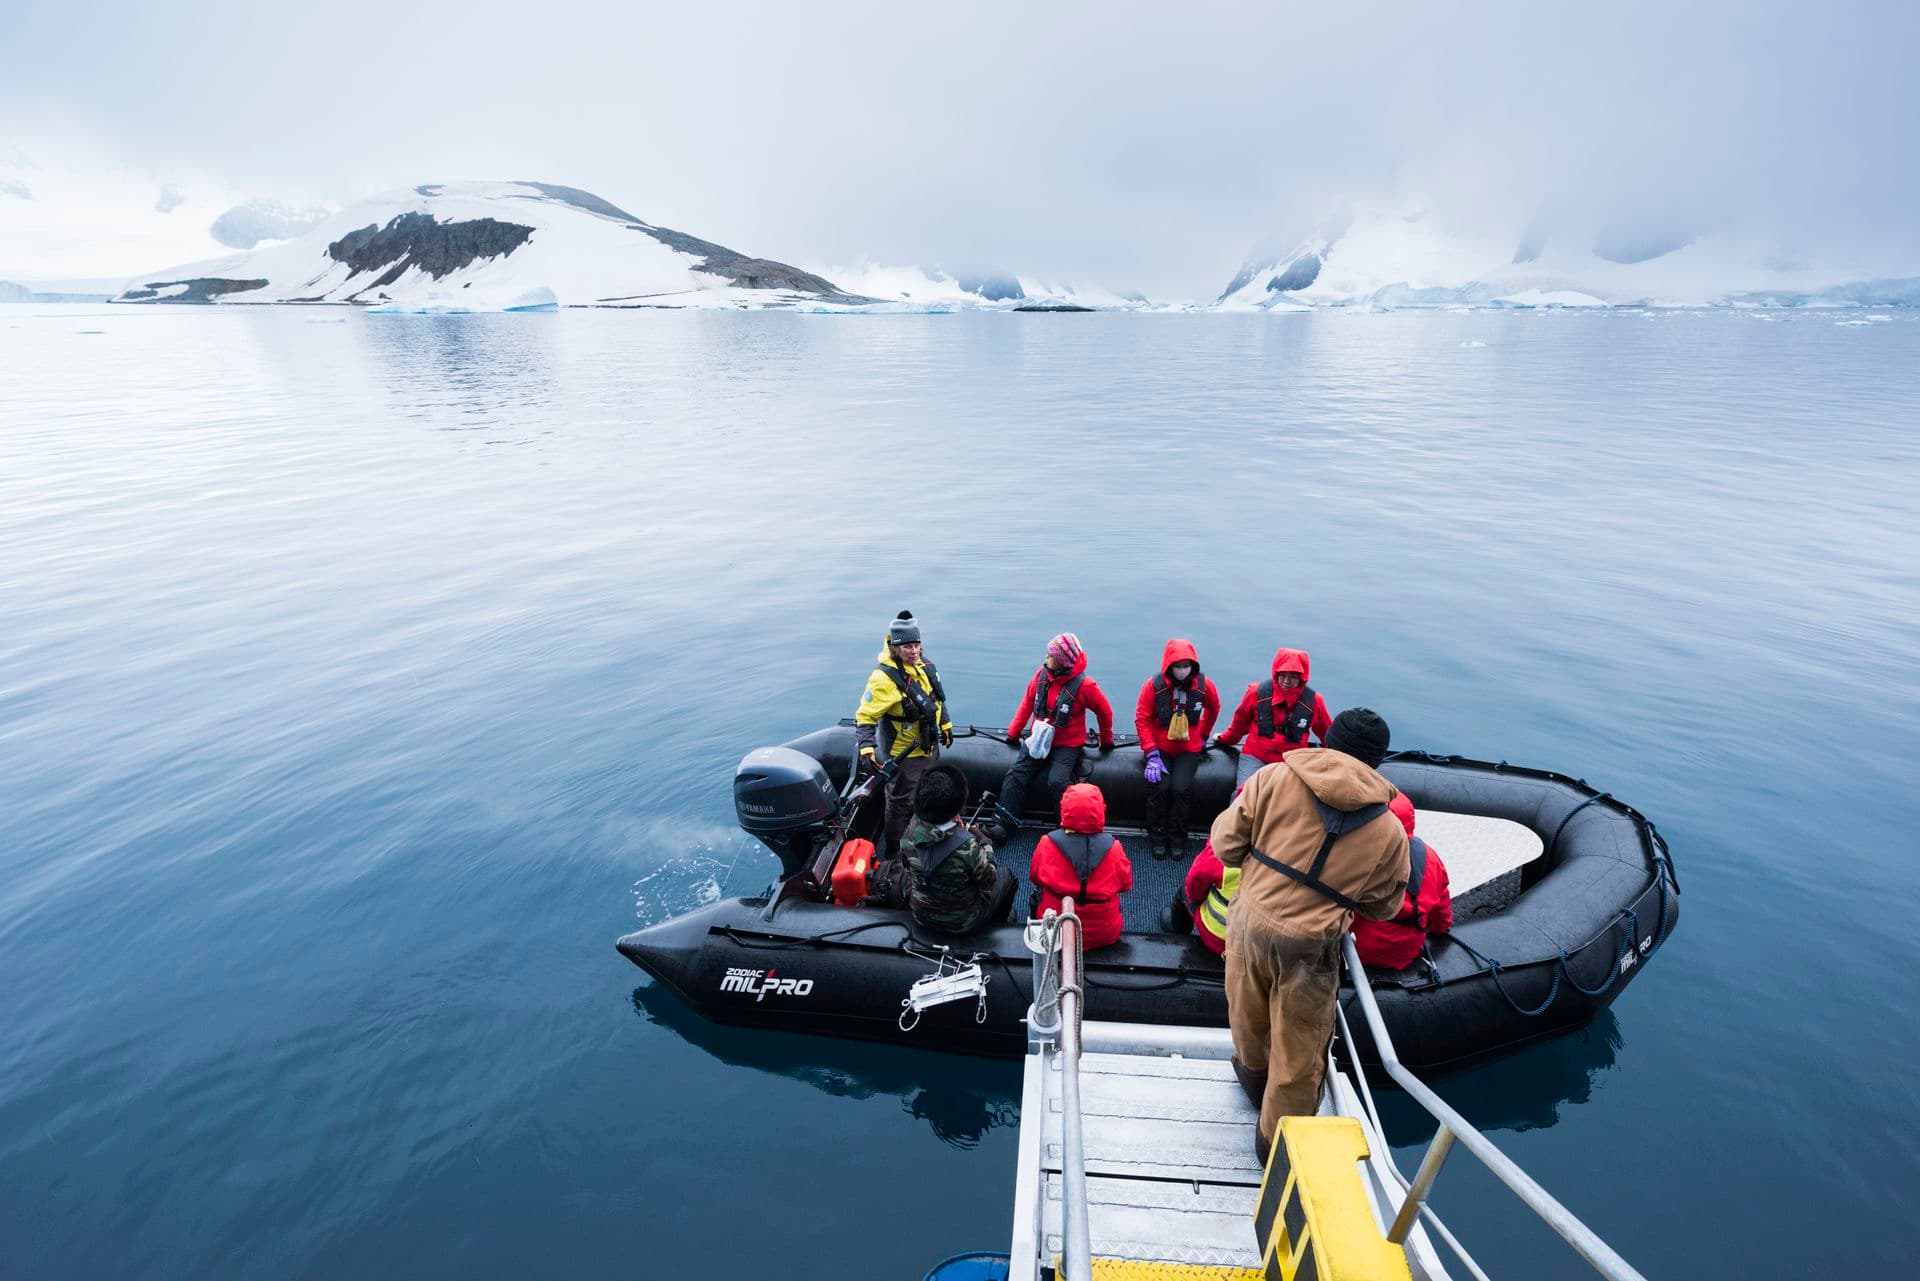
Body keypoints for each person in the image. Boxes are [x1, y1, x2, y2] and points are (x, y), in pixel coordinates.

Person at [1210, 708, 1410, 1158]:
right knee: (1300, 1052)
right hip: (1310, 946)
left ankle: (1251, 1081)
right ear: (1377, 760)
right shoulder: (1389, 829)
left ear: (1328, 739)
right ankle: (1274, 1150)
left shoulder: (1272, 778)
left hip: (1248, 922)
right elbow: (1385, 906)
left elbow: (1226, 844)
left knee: (1246, 1013)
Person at [986, 633, 1115, 843]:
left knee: (1058, 782)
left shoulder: (1085, 686)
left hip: (1067, 744)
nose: (1046, 657)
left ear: (1062, 661)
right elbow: (1028, 702)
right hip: (1038, 737)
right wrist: (1014, 731)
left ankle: (1064, 828)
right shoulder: (1041, 675)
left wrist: (1107, 741)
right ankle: (1003, 823)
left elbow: (1105, 711)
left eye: (1050, 655)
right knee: (1016, 774)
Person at [854, 610, 954, 857]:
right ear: (895, 647)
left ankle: (924, 836)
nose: (914, 651)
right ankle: (893, 851)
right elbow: (865, 717)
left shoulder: (925, 667)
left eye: (917, 645)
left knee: (926, 793)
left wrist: (946, 724)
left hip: (928, 746)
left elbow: (936, 700)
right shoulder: (883, 679)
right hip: (903, 753)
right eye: (907, 646)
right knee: (899, 803)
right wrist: (867, 747)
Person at [901, 763, 1017, 934]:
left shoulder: (909, 830)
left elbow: (907, 866)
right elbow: (988, 882)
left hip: (920, 913)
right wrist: (984, 841)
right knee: (1007, 877)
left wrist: (952, 830)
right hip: (962, 921)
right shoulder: (968, 846)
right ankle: (1000, 924)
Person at [1133, 639, 1221, 860]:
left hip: (1188, 748)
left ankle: (1178, 838)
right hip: (1159, 747)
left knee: (1181, 789)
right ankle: (1157, 836)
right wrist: (1151, 752)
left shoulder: (1205, 686)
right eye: (1177, 665)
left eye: (1186, 665)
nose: (1182, 670)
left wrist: (1203, 735)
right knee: (1159, 788)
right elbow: (1142, 719)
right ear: (1169, 666)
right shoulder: (1152, 687)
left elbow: (1214, 708)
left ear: (1193, 665)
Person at [1352, 791, 1453, 970]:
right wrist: (1441, 929)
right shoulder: (1430, 857)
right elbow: (1441, 903)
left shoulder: (1360, 857)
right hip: (1405, 953)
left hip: (1360, 949)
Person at [1028, 782, 1135, 949]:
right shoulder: (1114, 849)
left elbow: (1035, 878)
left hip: (1056, 931)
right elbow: (1125, 884)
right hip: (1104, 933)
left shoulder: (1046, 844)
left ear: (1064, 809)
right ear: (1101, 810)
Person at [1212, 647, 1333, 786]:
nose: (1287, 681)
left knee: (1289, 800)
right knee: (1243, 794)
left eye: (1293, 676)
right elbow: (1240, 723)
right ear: (1276, 673)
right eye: (1283, 675)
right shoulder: (1256, 692)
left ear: (1302, 678)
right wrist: (1225, 739)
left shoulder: (1314, 701)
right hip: (1256, 756)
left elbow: (1326, 732)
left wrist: (1339, 754)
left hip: (1291, 761)